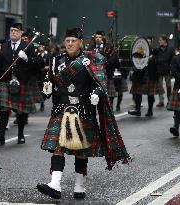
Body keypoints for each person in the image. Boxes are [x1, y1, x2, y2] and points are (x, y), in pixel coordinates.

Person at [36, 28, 130, 199]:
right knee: (58, 147)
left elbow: (99, 83)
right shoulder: (57, 60)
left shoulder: (91, 60)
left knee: (80, 151)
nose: (70, 44)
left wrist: (96, 93)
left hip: (83, 110)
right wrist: (47, 88)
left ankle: (80, 184)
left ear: (80, 42)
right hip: (61, 109)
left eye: (73, 41)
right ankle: (55, 184)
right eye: (67, 41)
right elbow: (50, 81)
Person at [0, 23, 43, 145]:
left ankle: (20, 134)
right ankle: (1, 135)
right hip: (6, 81)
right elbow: (0, 65)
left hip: (22, 81)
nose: (13, 32)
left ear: (21, 33)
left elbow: (37, 63)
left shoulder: (28, 46)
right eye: (12, 30)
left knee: (20, 110)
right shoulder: (4, 46)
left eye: (16, 31)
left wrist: (26, 58)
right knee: (4, 108)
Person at [128, 36, 159, 116]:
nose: (147, 43)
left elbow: (159, 59)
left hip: (150, 75)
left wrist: (153, 58)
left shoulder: (154, 51)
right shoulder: (140, 51)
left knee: (150, 94)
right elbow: (135, 60)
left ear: (151, 42)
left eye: (149, 41)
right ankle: (137, 110)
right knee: (137, 93)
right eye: (146, 41)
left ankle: (150, 110)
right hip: (140, 74)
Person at [155, 35, 174, 107]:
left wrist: (172, 69)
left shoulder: (170, 48)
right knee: (159, 86)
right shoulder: (157, 49)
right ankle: (161, 101)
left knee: (168, 86)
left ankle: (169, 100)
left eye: (160, 40)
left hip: (167, 70)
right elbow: (155, 59)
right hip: (159, 70)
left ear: (164, 40)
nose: (159, 41)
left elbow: (173, 60)